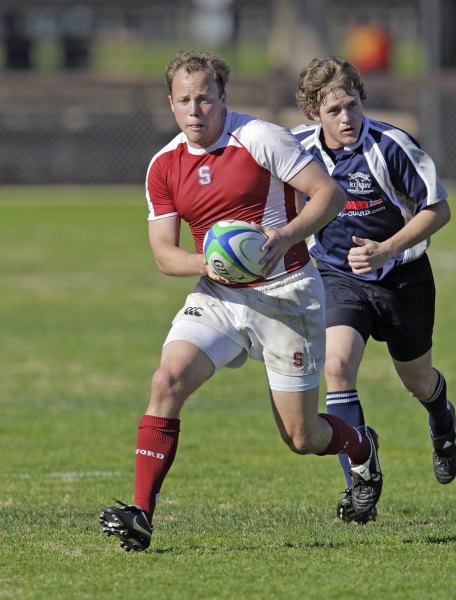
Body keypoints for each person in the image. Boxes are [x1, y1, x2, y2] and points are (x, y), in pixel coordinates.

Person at [99, 50, 383, 552]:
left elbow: (329, 195)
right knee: (166, 381)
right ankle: (141, 514)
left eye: (205, 98)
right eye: (184, 100)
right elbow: (164, 254)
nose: (195, 110)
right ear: (170, 103)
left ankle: (361, 446)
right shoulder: (164, 165)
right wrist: (206, 264)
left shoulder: (259, 138)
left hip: (287, 295)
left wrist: (283, 236)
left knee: (300, 437)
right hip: (220, 295)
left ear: (223, 97)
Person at [292, 56, 453, 524]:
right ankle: (360, 478)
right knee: (337, 366)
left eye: (352, 105)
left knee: (416, 381)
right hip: (338, 276)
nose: (346, 118)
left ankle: (443, 420)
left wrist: (386, 250)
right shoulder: (297, 150)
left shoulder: (391, 145)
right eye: (334, 110)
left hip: (403, 278)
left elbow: (438, 210)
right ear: (313, 114)